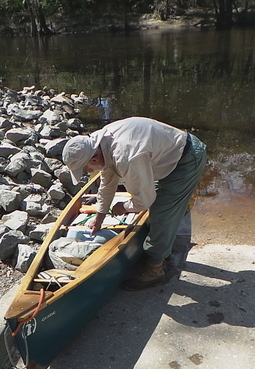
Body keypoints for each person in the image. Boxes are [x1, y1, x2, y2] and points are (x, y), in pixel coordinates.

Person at [62, 117, 207, 290]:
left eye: (86, 170)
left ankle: (155, 270)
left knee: (162, 214)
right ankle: (164, 244)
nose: (89, 172)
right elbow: (107, 182)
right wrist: (100, 216)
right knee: (157, 204)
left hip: (186, 158)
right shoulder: (98, 143)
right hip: (162, 157)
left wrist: (122, 207)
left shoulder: (126, 156)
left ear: (93, 159)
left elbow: (145, 201)